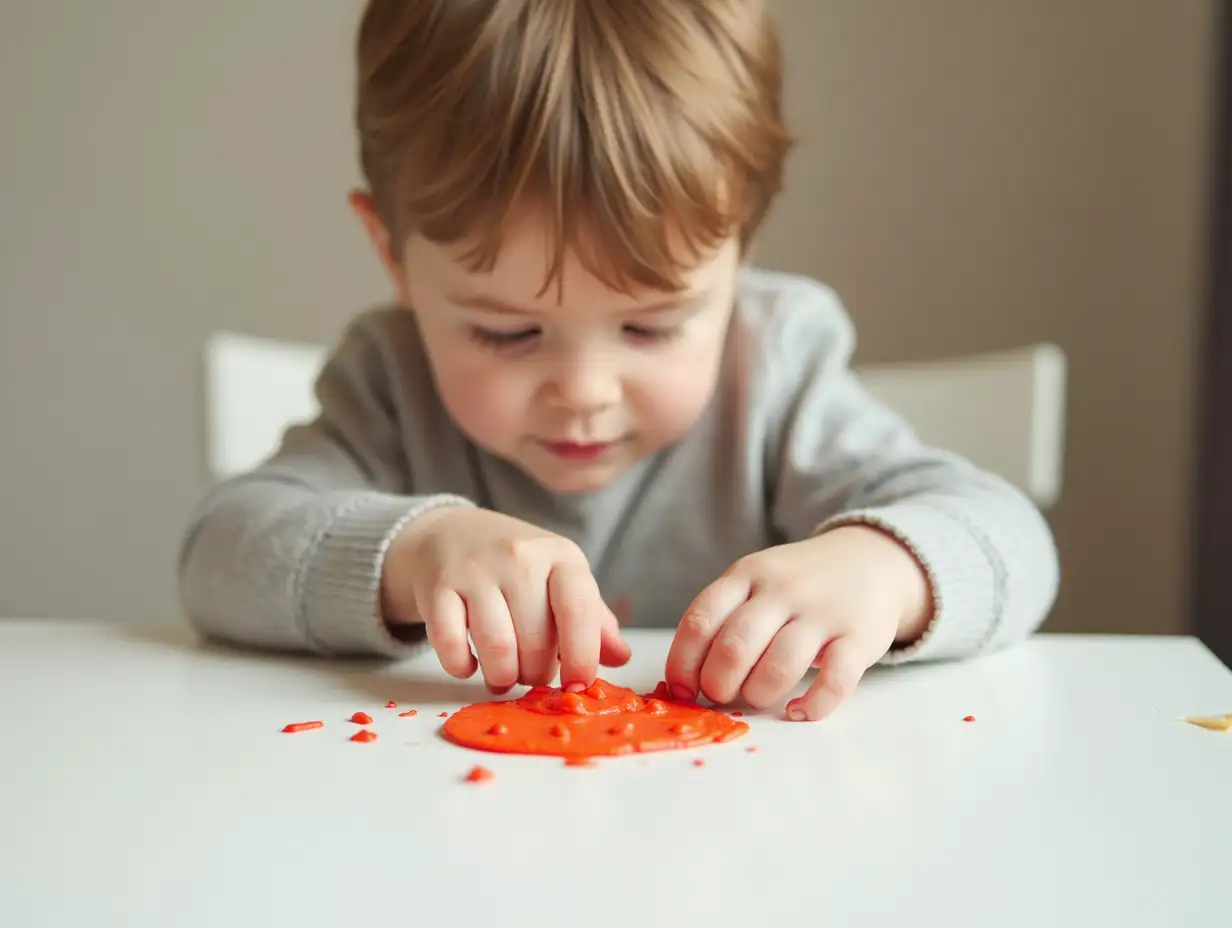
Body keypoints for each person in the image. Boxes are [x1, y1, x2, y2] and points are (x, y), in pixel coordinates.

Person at [177, 0, 1059, 722]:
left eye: (651, 328)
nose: (584, 394)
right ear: (393, 255)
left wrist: (883, 569)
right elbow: (219, 555)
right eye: (506, 333)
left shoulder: (775, 369)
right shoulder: (389, 384)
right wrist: (417, 549)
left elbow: (1012, 538)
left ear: (739, 254)